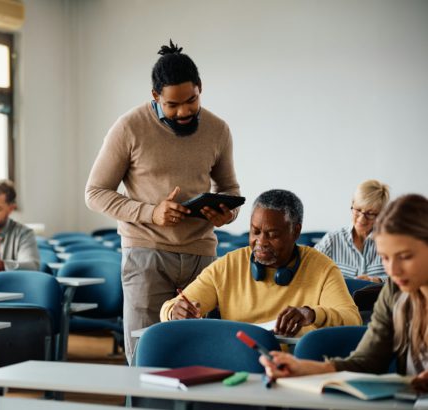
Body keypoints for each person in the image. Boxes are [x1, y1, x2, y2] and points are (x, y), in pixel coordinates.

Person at [85, 40, 240, 361]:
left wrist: (226, 213)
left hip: (201, 256)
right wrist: (151, 213)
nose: (184, 111)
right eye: (172, 105)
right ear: (155, 97)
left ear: (200, 88)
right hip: (146, 255)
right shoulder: (128, 127)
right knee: (145, 356)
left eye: (191, 100)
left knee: (201, 355)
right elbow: (95, 193)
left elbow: (229, 187)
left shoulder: (218, 129)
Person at [260, 194, 428, 393]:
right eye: (385, 258)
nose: (393, 270)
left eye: (405, 257)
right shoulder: (395, 291)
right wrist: (305, 368)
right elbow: (367, 362)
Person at [160, 189, 362, 336]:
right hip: (242, 363)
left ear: (296, 232)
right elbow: (170, 307)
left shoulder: (322, 268)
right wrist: (175, 312)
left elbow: (353, 320)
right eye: (255, 232)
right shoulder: (229, 265)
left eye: (272, 235)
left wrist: (311, 314)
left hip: (297, 367)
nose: (261, 242)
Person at [315, 179, 390, 283]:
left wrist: (378, 280)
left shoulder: (390, 242)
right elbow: (309, 269)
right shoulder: (332, 239)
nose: (361, 219)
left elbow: (404, 277)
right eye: (358, 210)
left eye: (370, 213)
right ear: (352, 204)